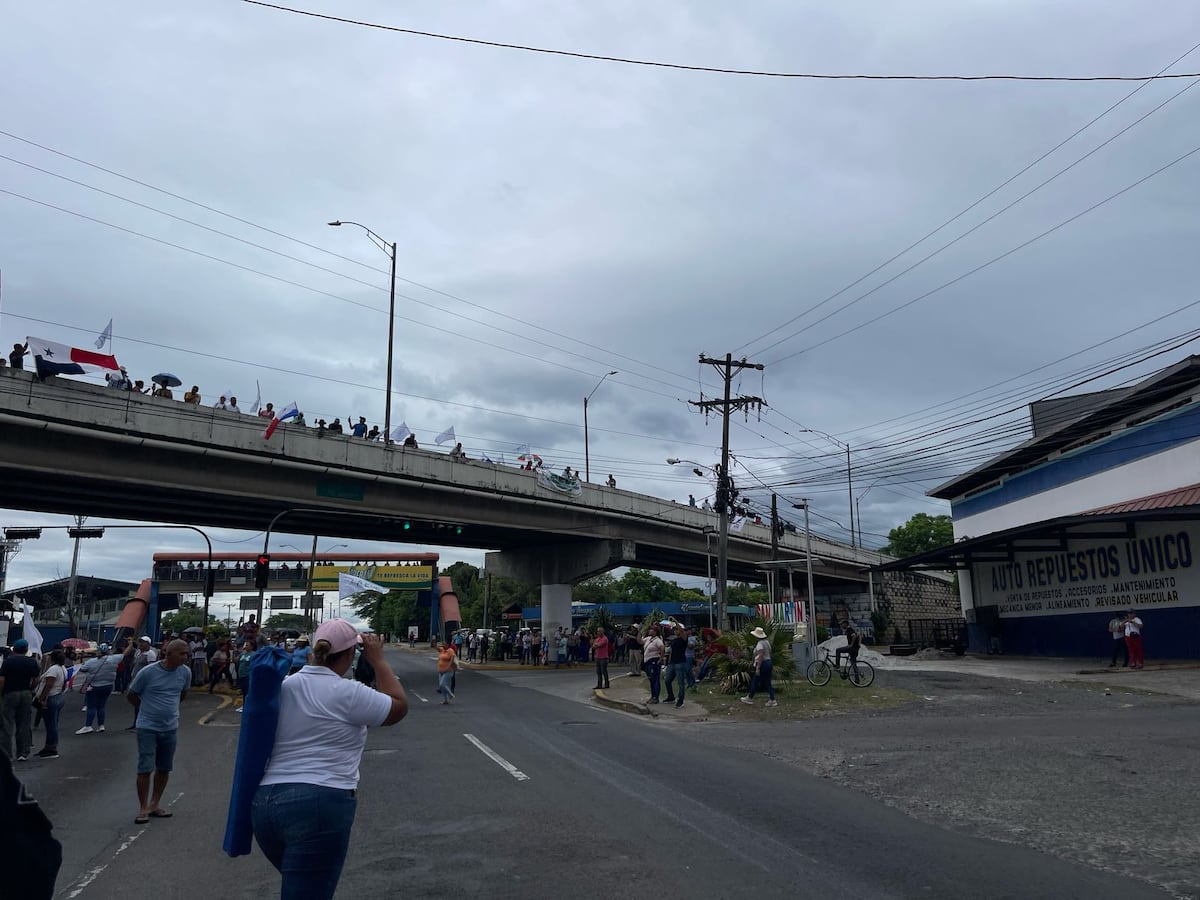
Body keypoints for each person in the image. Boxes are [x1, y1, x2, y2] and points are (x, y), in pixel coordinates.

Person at [252, 625, 407, 900]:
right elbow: (397, 707)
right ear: (350, 654)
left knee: (303, 887)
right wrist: (379, 661)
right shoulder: (348, 692)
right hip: (319, 803)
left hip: (264, 804)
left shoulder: (285, 685)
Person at [127, 639, 191, 823]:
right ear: (168, 654)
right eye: (181, 653)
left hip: (170, 728)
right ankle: (143, 807)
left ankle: (155, 804)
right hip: (147, 727)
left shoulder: (185, 673)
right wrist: (147, 709)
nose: (185, 657)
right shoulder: (148, 672)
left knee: (164, 767)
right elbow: (131, 695)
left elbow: (182, 694)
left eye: (187, 653)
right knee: (145, 767)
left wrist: (168, 711)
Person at [0, 639, 40, 761]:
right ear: (26, 650)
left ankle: (7, 753)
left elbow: (1, 680)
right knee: (24, 723)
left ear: (14, 649)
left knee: (6, 724)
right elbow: (37, 679)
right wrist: (30, 688)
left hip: (10, 693)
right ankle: (23, 752)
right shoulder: (32, 662)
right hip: (26, 693)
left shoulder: (8, 662)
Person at [75, 644, 122, 733]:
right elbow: (124, 654)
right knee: (101, 706)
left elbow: (82, 669)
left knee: (91, 706)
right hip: (108, 685)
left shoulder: (92, 662)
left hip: (95, 686)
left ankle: (88, 726)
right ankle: (101, 725)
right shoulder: (114, 659)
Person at [32, 649, 68, 760]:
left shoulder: (53, 669)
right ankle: (48, 746)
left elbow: (48, 685)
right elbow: (63, 684)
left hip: (51, 698)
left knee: (51, 724)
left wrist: (42, 699)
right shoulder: (63, 669)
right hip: (58, 696)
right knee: (52, 723)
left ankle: (52, 748)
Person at [740, 626, 776, 707]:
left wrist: (758, 667)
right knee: (767, 681)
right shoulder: (766, 642)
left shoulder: (760, 644)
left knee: (756, 680)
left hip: (763, 663)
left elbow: (761, 655)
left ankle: (750, 697)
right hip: (768, 662)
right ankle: (772, 699)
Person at [663, 626, 689, 708]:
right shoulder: (674, 640)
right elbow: (671, 651)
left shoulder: (684, 639)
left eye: (676, 630)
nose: (675, 631)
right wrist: (669, 661)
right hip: (672, 663)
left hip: (680, 662)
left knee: (680, 683)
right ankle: (671, 697)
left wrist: (677, 623)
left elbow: (683, 633)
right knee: (667, 680)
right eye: (674, 630)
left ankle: (680, 701)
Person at [642, 626, 664, 703]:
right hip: (647, 661)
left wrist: (661, 658)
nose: (649, 631)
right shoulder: (648, 639)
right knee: (651, 679)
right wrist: (638, 632)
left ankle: (656, 697)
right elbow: (640, 641)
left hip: (654, 661)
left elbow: (662, 647)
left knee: (655, 679)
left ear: (655, 631)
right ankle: (653, 696)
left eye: (651, 630)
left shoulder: (657, 640)